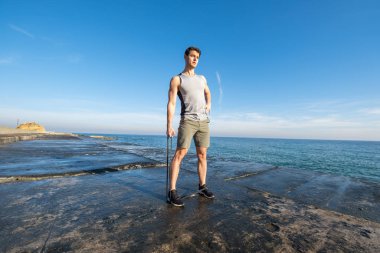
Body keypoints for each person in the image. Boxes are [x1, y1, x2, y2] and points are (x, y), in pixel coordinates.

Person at [166, 46, 215, 207]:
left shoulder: (202, 78)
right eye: (192, 56)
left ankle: (202, 187)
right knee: (180, 154)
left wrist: (208, 105)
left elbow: (208, 93)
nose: (195, 59)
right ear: (185, 57)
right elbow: (172, 103)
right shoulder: (177, 79)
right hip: (187, 120)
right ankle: (172, 191)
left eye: (197, 57)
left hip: (203, 122)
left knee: (202, 155)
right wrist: (169, 125)